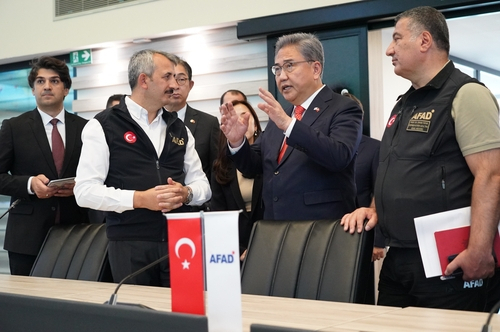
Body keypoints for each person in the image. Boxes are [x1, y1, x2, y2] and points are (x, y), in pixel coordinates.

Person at [341, 6, 500, 311]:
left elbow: (491, 175)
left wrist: (479, 251)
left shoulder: (466, 94)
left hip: (449, 261)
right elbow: (397, 169)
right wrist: (374, 209)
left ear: (425, 41)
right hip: (398, 257)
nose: (389, 50)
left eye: (397, 39)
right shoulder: (405, 103)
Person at [74, 49, 211, 287]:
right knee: (138, 321)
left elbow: (203, 186)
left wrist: (186, 193)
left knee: (183, 320)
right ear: (144, 80)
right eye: (167, 77)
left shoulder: (179, 128)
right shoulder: (103, 126)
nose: (174, 84)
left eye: (178, 78)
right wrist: (139, 199)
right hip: (129, 242)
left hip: (181, 242)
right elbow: (84, 192)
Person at [220, 32, 363, 221]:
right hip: (277, 228)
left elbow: (339, 156)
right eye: (277, 69)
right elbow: (254, 167)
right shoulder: (282, 115)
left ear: (315, 69)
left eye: (289, 66)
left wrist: (290, 125)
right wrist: (237, 142)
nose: (282, 76)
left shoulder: (343, 107)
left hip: (322, 228)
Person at [0, 56, 89, 276]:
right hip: (26, 237)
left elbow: (102, 175)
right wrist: (29, 184)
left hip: (76, 232)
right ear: (32, 90)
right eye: (40, 81)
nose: (47, 86)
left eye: (54, 81)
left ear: (66, 89)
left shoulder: (87, 128)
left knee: (73, 301)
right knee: (28, 305)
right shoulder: (14, 127)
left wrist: (79, 185)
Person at [211, 100, 263, 256]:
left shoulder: (270, 157)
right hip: (234, 248)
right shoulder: (220, 166)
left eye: (244, 115)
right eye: (234, 116)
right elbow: (219, 215)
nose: (239, 121)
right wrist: (237, 249)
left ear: (255, 126)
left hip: (268, 241)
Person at [338, 88, 385, 261]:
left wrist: (378, 240)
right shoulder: (321, 146)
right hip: (327, 228)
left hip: (359, 232)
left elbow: (380, 191)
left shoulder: (374, 148)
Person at [164, 58, 220, 187]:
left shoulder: (208, 123)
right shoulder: (150, 121)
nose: (175, 86)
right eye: (169, 79)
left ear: (190, 85)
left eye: (181, 79)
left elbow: (216, 170)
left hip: (197, 204)